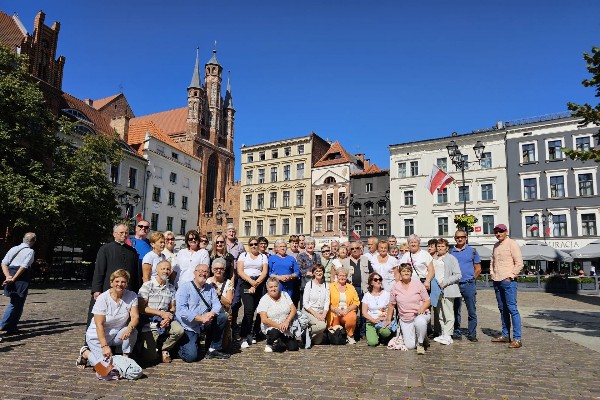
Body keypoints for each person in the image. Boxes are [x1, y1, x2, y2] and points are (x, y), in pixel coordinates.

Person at [77, 269, 139, 370]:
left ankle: (126, 358)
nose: (120, 284)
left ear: (127, 284)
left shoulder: (132, 296)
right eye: (117, 281)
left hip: (115, 334)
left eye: (123, 282)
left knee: (133, 331)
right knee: (104, 368)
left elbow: (135, 317)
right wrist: (104, 346)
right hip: (97, 337)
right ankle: (86, 353)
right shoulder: (102, 298)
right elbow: (99, 324)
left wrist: (129, 328)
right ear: (111, 283)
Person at [88, 224, 140, 331]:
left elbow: (135, 273)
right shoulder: (105, 249)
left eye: (126, 233)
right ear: (114, 234)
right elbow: (99, 270)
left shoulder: (132, 251)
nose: (124, 235)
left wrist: (136, 290)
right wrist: (97, 289)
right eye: (121, 233)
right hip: (108, 288)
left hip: (126, 291)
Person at [175, 264, 230, 361]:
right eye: (200, 271)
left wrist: (211, 313)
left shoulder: (210, 288)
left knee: (222, 317)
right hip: (189, 326)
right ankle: (177, 348)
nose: (203, 273)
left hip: (204, 324)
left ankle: (213, 349)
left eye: (205, 272)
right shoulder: (185, 288)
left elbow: (217, 305)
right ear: (194, 273)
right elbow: (181, 310)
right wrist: (200, 318)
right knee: (191, 357)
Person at [137, 261, 184, 364]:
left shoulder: (171, 288)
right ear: (156, 271)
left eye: (168, 269)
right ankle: (150, 346)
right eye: (163, 269)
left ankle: (164, 348)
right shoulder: (147, 286)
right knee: (151, 358)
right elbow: (141, 308)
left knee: (179, 330)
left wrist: (167, 318)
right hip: (149, 321)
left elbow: (172, 308)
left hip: (165, 318)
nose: (165, 271)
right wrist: (160, 314)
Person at [384, 263, 431, 355]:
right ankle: (421, 335)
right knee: (410, 346)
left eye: (408, 271)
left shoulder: (418, 285)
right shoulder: (396, 287)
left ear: (411, 273)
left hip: (420, 314)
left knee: (420, 322)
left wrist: (422, 308)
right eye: (403, 271)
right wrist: (388, 320)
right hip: (405, 318)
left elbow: (427, 301)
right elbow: (391, 305)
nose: (406, 273)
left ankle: (421, 343)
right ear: (400, 273)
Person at [490, 224, 524, 349]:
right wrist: (492, 274)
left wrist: (511, 276)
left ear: (506, 232)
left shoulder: (512, 244)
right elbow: (492, 261)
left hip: (508, 281)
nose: (498, 234)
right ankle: (505, 335)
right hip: (497, 280)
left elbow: (519, 263)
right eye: (496, 232)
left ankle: (517, 338)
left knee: (512, 309)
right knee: (502, 309)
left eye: (501, 232)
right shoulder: (495, 246)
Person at [0, 232, 36, 335]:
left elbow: (4, 263)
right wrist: (14, 278)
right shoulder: (30, 251)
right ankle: (3, 325)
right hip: (21, 278)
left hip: (11, 275)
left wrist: (8, 276)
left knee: (16, 303)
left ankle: (12, 327)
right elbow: (24, 266)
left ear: (23, 238)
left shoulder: (13, 249)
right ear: (33, 241)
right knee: (16, 303)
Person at [237, 237, 268, 349]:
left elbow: (264, 272)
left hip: (259, 284)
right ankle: (243, 336)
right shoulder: (243, 255)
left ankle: (252, 333)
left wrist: (256, 284)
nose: (254, 246)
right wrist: (251, 282)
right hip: (246, 282)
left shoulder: (263, 256)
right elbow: (240, 271)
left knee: (258, 310)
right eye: (251, 244)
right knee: (249, 310)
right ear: (248, 245)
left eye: (256, 244)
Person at [450, 229, 481, 342]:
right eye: (457, 237)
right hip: (455, 284)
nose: (460, 239)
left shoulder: (472, 251)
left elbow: (478, 268)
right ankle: (457, 332)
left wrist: (472, 278)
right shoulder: (451, 252)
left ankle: (472, 333)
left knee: (471, 310)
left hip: (468, 284)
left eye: (462, 237)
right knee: (455, 310)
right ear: (455, 238)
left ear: (466, 238)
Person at [257, 277, 300, 352]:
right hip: (271, 326)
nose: (273, 289)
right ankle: (269, 343)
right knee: (275, 333)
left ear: (279, 287)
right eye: (271, 287)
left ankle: (281, 340)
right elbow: (264, 319)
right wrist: (279, 326)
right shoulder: (264, 299)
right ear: (267, 288)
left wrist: (287, 321)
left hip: (286, 326)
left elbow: (293, 309)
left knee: (293, 347)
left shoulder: (285, 295)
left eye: (275, 286)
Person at [431, 238, 462, 346]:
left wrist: (445, 282)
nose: (440, 248)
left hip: (447, 289)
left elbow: (458, 274)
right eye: (438, 246)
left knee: (448, 313)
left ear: (447, 248)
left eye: (442, 246)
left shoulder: (451, 258)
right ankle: (443, 333)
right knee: (439, 313)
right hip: (436, 289)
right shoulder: (434, 258)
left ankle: (448, 335)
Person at [207, 258, 234, 350]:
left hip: (223, 312)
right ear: (212, 269)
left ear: (224, 270)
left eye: (221, 269)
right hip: (208, 312)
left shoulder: (228, 283)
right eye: (216, 268)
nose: (218, 270)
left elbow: (228, 303)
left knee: (224, 347)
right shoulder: (207, 281)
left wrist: (218, 293)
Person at [327, 267, 360, 344]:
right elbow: (326, 302)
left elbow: (356, 302)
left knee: (352, 317)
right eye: (340, 275)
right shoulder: (330, 286)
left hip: (347, 311)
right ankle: (340, 334)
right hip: (334, 312)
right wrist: (335, 310)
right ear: (337, 276)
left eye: (344, 276)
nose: (342, 277)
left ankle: (350, 335)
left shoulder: (351, 287)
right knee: (336, 332)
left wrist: (347, 310)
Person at [362, 272, 392, 346]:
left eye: (380, 279)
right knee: (372, 343)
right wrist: (373, 320)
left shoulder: (386, 294)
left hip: (383, 320)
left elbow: (390, 308)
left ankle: (382, 335)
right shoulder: (367, 295)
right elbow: (364, 312)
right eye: (375, 280)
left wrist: (385, 317)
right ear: (371, 283)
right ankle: (375, 335)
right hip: (371, 321)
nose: (378, 281)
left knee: (386, 332)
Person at [302, 265, 330, 345]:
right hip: (309, 312)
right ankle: (304, 331)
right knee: (322, 326)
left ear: (323, 273)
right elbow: (305, 303)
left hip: (321, 313)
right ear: (313, 273)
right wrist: (316, 315)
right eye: (317, 271)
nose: (319, 273)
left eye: (320, 271)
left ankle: (308, 335)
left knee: (317, 342)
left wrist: (324, 315)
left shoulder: (326, 285)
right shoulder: (309, 284)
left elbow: (327, 302)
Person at [296, 237, 321, 307]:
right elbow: (298, 269)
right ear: (305, 245)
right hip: (305, 283)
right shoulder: (301, 256)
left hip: (315, 283)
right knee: (304, 302)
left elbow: (320, 268)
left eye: (312, 244)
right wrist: (307, 273)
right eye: (308, 244)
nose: (310, 246)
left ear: (314, 245)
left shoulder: (317, 256)